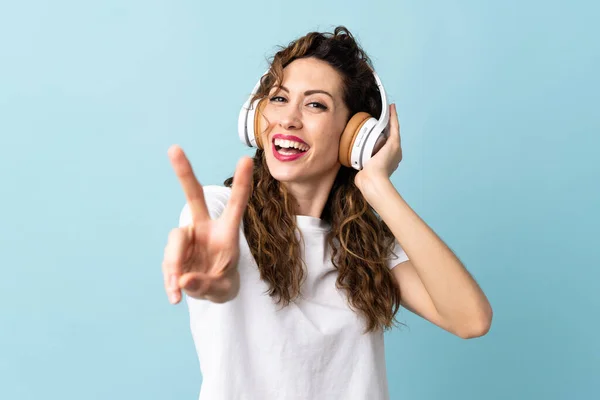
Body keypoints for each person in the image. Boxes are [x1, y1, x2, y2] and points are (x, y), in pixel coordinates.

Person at [162, 26, 493, 400]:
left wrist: (378, 187)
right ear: (256, 117)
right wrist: (214, 278)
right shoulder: (219, 212)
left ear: (355, 136)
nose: (288, 119)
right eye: (279, 99)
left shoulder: (368, 246)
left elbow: (471, 319)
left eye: (315, 104)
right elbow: (220, 280)